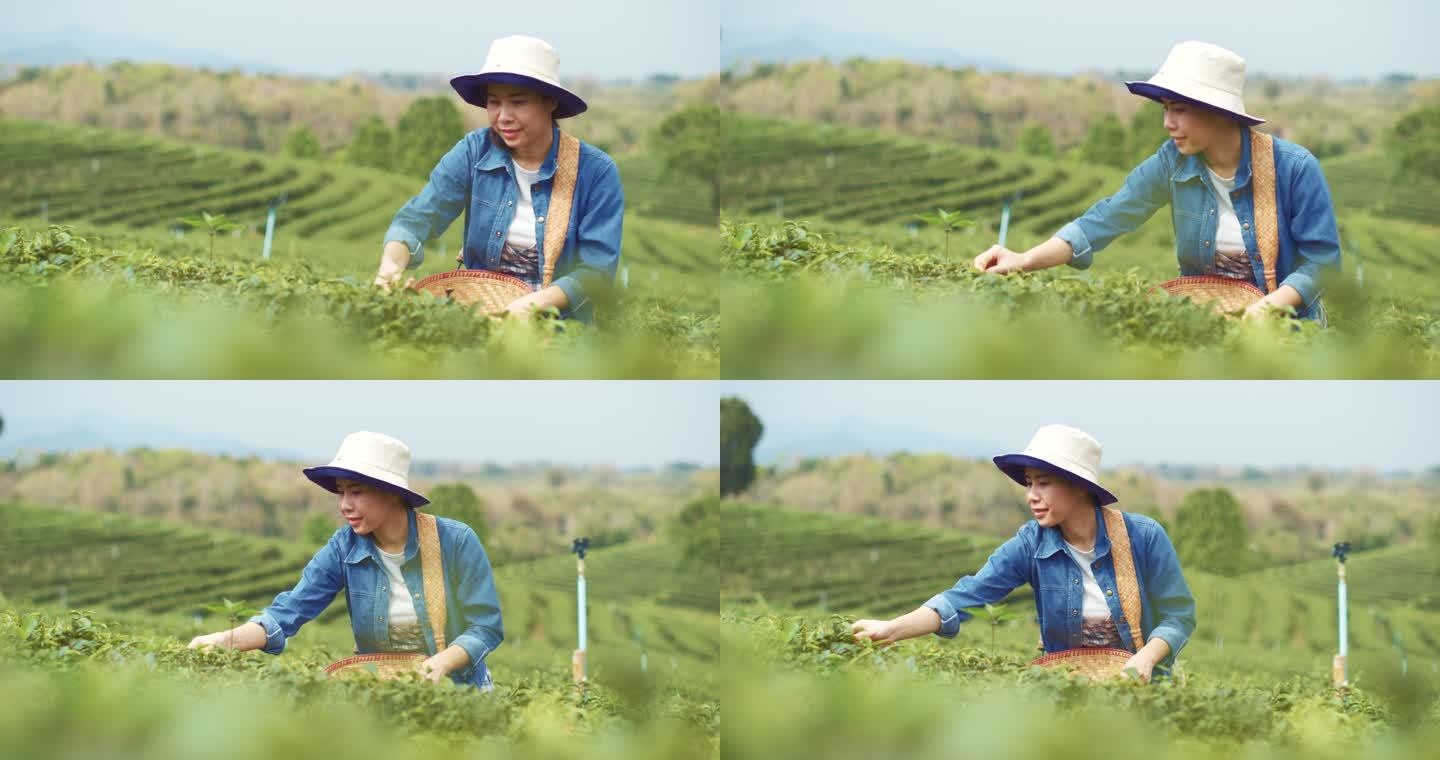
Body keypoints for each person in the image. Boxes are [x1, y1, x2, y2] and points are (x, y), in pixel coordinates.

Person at [974, 41, 1341, 324]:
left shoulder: (1293, 168)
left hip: (1287, 328)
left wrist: (1267, 308)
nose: (1168, 122)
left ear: (1220, 114)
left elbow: (1322, 262)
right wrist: (1023, 259)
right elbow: (1103, 220)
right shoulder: (1172, 163)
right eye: (1165, 108)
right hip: (1206, 320)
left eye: (1179, 109)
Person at [850, 424, 1196, 682]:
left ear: (1079, 486)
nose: (1031, 494)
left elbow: (1178, 615)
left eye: (1043, 482)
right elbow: (965, 597)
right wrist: (891, 629)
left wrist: (1146, 659)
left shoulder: (1143, 537)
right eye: (1029, 482)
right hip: (1066, 684)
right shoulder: (1031, 544)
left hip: (1139, 686)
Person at [188, 431, 503, 689]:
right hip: (383, 687)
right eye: (340, 493)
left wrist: (438, 665)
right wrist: (224, 640)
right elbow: (288, 613)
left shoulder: (454, 541)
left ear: (392, 492)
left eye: (356, 492)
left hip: (458, 688)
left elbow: (485, 627)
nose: (344, 505)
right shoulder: (344, 547)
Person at [375, 35, 624, 323]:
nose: (503, 116)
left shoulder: (594, 172)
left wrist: (530, 305)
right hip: (479, 311)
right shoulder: (473, 152)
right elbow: (418, 218)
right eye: (494, 102)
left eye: (518, 102)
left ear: (550, 102)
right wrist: (390, 268)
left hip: (558, 323)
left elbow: (596, 271)